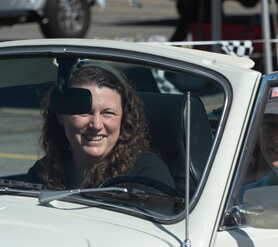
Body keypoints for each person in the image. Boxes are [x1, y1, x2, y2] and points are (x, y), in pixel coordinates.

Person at [26, 61, 174, 190]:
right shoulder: (44, 172)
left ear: (124, 118)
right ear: (61, 116)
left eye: (108, 113)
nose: (96, 125)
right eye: (84, 112)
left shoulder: (147, 174)